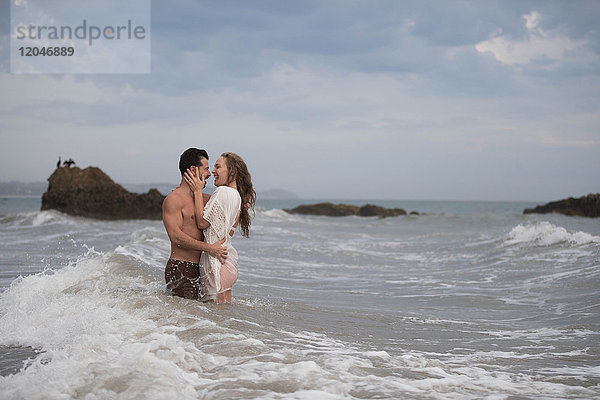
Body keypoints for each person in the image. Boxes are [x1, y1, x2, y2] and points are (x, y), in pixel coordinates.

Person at [184, 152, 256, 303]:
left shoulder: (223, 191)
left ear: (232, 172)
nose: (213, 171)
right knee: (223, 319)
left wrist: (197, 191)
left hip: (216, 263)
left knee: (213, 316)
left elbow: (202, 222)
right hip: (228, 260)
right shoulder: (236, 196)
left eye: (218, 167)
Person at [162, 148, 228, 300]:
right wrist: (210, 248)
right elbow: (176, 237)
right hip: (181, 267)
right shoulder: (173, 200)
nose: (210, 173)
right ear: (193, 169)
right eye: (205, 169)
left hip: (204, 269)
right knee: (187, 319)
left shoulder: (206, 199)